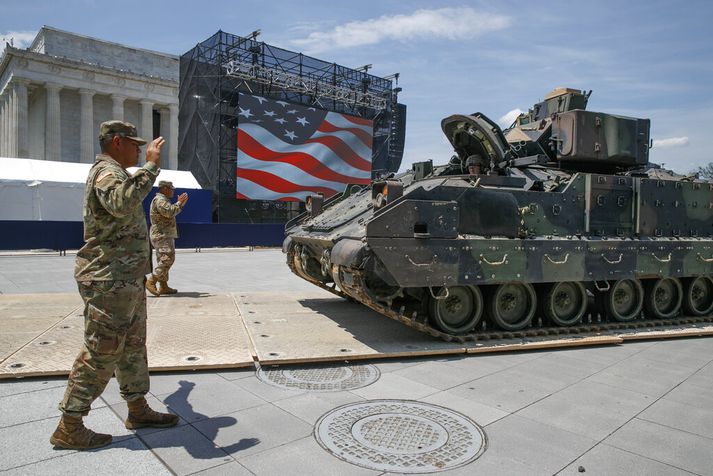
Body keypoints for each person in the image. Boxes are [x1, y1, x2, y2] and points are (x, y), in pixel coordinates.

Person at [50, 120, 179, 451]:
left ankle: (137, 408)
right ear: (117, 141)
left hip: (126, 278)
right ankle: (70, 425)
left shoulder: (117, 172)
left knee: (133, 345)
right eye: (134, 144)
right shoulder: (107, 172)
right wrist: (150, 165)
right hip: (108, 279)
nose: (139, 149)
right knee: (102, 351)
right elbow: (120, 204)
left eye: (142, 147)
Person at [146, 180, 188, 296]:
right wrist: (179, 203)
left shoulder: (163, 200)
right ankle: (151, 281)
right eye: (171, 189)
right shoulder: (160, 200)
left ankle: (163, 286)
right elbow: (169, 212)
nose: (173, 191)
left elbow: (171, 212)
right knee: (168, 258)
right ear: (164, 189)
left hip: (163, 234)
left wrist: (180, 204)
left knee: (163, 258)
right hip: (161, 234)